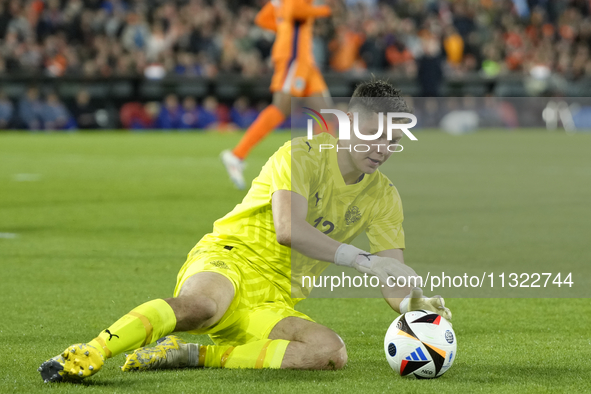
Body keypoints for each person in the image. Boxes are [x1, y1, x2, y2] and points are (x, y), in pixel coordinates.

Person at [38, 80, 451, 382]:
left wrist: (412, 303)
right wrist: (362, 260)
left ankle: (195, 356)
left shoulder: (384, 196)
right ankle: (92, 350)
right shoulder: (301, 155)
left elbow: (391, 270)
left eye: (393, 141)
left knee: (330, 354)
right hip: (230, 257)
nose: (383, 150)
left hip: (274, 297)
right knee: (203, 308)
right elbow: (290, 229)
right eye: (375, 136)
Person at [221, 0, 334, 190]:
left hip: (304, 59)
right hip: (294, 57)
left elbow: (262, 18)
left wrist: (283, 29)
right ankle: (236, 155)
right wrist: (325, 9)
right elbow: (296, 9)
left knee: (325, 113)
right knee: (282, 107)